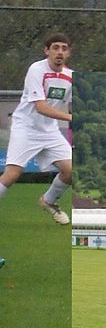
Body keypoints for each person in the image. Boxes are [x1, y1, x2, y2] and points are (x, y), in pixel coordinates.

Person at [0, 33, 74, 225]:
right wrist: (69, 117)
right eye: (55, 47)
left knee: (71, 171)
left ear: (68, 53)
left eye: (64, 48)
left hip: (49, 131)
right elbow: (40, 107)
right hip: (26, 127)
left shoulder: (70, 76)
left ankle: (48, 201)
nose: (59, 52)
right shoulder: (36, 69)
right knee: (12, 175)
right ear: (46, 51)